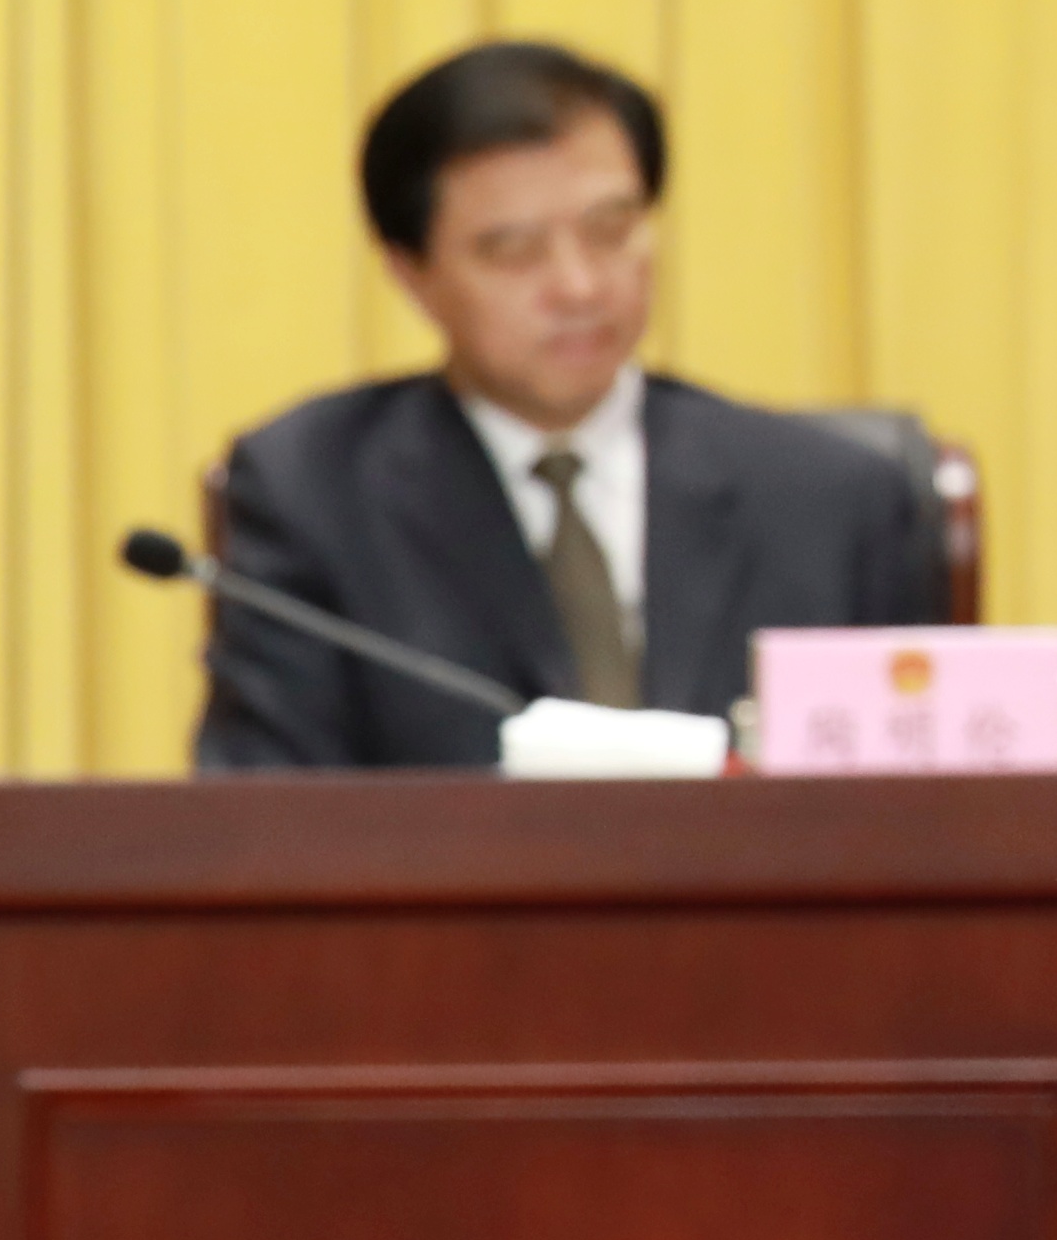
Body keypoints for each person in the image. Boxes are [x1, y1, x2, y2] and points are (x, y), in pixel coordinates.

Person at [199, 40, 939, 768]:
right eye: (514, 251)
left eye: (610, 231)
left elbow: (925, 798)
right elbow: (268, 806)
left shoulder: (831, 500)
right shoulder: (315, 495)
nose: (580, 287)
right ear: (411, 273)